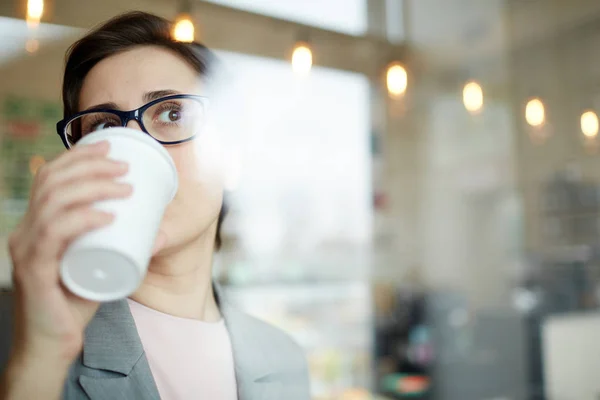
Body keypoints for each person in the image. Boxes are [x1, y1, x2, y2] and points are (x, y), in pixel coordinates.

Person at [0, 11, 310, 400]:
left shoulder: (285, 361)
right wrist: (39, 360)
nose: (135, 146)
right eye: (103, 127)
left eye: (172, 113)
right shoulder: (23, 343)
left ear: (232, 159)